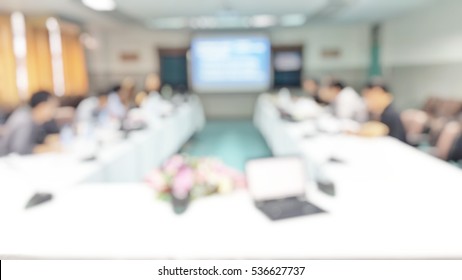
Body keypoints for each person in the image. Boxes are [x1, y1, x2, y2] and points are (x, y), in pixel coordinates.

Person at [0, 91, 59, 156]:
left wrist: (46, 140)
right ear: (41, 106)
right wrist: (47, 149)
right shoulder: (24, 120)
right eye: (52, 107)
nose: (54, 111)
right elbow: (19, 150)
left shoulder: (35, 120)